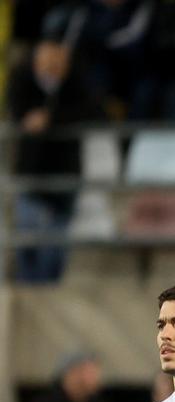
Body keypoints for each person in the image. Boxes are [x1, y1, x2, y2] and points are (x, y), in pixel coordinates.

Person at [8, 37, 100, 284]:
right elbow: (17, 112)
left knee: (56, 243)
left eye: (58, 62)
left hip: (65, 172)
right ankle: (28, 286)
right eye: (46, 61)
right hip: (31, 171)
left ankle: (47, 287)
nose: (52, 67)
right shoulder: (22, 80)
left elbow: (90, 110)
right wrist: (29, 121)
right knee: (27, 236)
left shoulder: (76, 83)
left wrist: (51, 119)